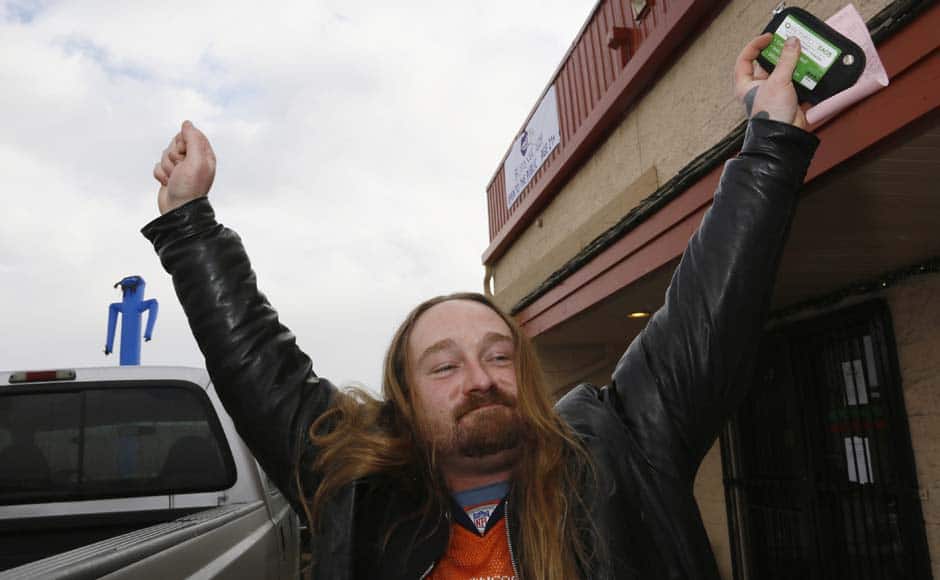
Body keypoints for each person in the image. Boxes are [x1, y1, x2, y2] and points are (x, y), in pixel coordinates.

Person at [145, 34, 817, 579]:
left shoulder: (620, 452)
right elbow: (258, 366)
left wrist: (770, 142)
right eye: (444, 366)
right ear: (403, 398)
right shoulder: (358, 491)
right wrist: (188, 222)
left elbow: (705, 312)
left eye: (499, 355)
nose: (481, 377)